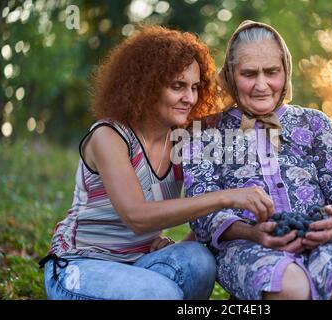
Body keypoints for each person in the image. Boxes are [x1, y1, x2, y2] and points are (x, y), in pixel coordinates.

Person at [39, 25, 275, 300]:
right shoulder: (109, 136)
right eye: (178, 86)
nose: (189, 98)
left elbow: (203, 219)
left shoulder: (183, 142)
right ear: (147, 85)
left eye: (195, 87)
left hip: (141, 264)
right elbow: (136, 216)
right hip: (78, 267)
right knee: (162, 294)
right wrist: (225, 197)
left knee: (198, 261)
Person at [182, 20, 332, 300]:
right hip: (244, 245)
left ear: (286, 71)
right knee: (288, 288)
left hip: (320, 237)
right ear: (231, 76)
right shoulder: (205, 132)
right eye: (249, 74)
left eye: (271, 72)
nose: (261, 85)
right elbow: (202, 213)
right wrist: (252, 233)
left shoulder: (314, 123)